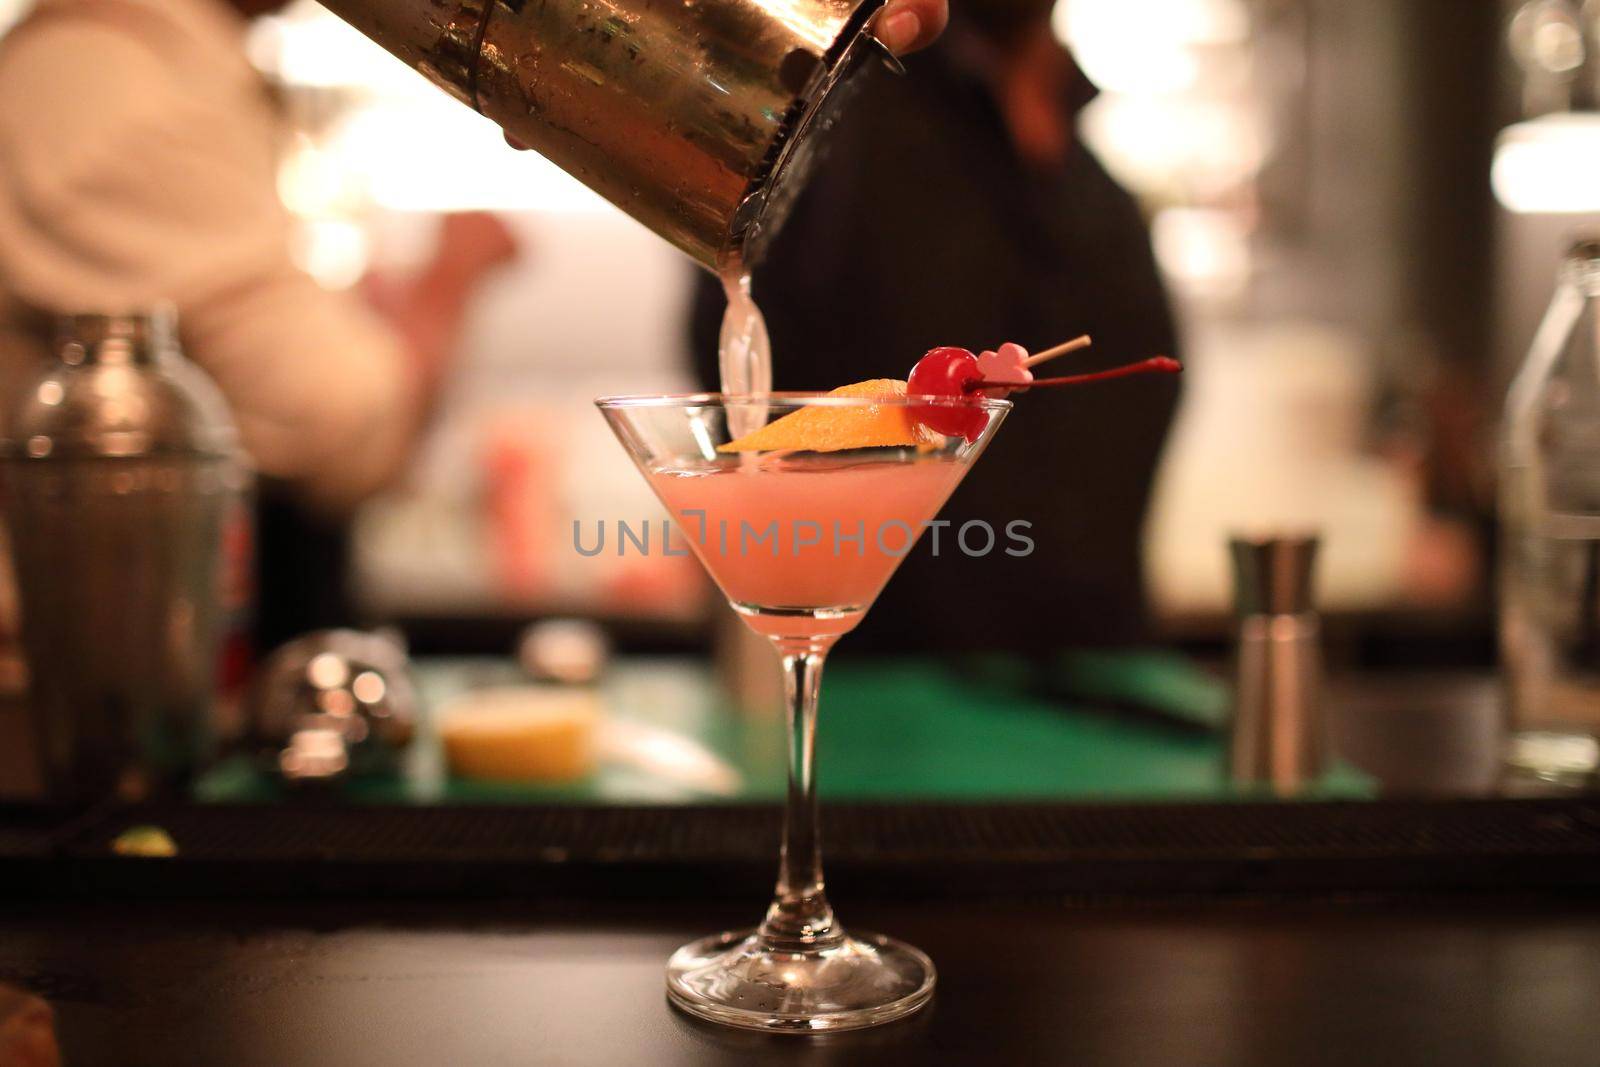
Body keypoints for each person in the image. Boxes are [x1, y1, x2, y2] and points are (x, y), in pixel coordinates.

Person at [0, 0, 517, 645]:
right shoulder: (108, 84)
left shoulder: (155, 65)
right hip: (79, 688)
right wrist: (451, 278)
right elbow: (338, 427)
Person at [688, 0, 1182, 654]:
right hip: (883, 694)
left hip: (1111, 687)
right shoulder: (828, 130)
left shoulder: (1101, 194)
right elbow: (738, 395)